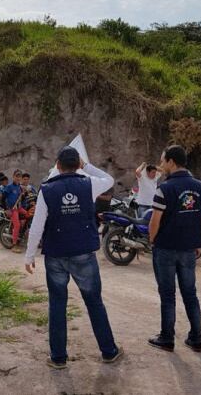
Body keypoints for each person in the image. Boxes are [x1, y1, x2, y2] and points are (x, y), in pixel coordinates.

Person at [25, 146, 123, 369]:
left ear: (57, 166)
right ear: (77, 164)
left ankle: (58, 358)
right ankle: (109, 351)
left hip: (56, 255)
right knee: (94, 302)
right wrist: (86, 165)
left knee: (57, 305)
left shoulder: (46, 189)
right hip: (83, 254)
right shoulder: (89, 184)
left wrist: (29, 255)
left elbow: (37, 226)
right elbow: (108, 178)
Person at [148, 145, 201, 353]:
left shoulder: (164, 188)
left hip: (165, 247)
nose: (161, 164)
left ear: (172, 162)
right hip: (189, 248)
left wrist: (153, 240)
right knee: (190, 293)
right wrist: (199, 241)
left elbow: (155, 220)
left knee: (168, 295)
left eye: (163, 160)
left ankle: (167, 338)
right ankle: (196, 339)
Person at [4, 170, 26, 248]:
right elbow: (3, 198)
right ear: (13, 176)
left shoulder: (19, 187)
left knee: (28, 214)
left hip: (18, 207)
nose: (18, 178)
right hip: (12, 209)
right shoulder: (9, 187)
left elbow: (21, 199)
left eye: (19, 176)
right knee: (17, 225)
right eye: (16, 176)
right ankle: (14, 244)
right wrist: (6, 209)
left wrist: (23, 194)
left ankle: (21, 234)